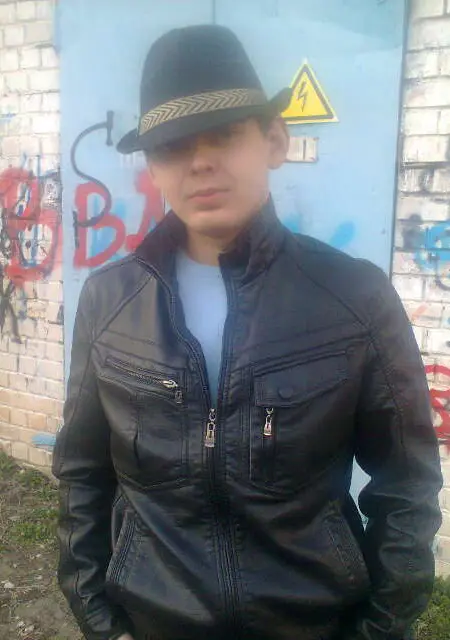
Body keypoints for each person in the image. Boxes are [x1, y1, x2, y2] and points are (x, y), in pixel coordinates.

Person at [53, 25, 442, 640]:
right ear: (152, 167)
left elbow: (407, 486)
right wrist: (101, 622)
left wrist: (380, 628)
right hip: (154, 622)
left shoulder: (356, 297)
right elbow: (82, 473)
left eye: (226, 134)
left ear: (275, 140)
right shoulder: (109, 300)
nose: (200, 162)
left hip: (313, 623)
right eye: (174, 146)